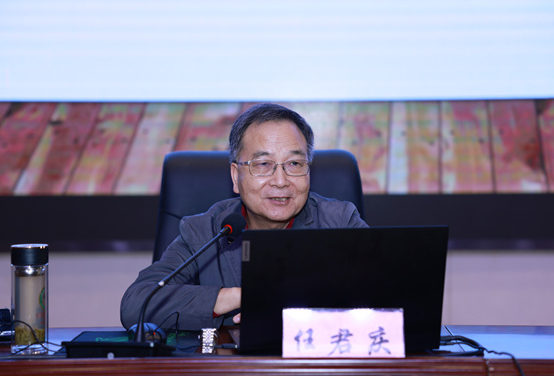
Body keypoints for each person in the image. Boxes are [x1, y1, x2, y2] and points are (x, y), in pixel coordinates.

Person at [120, 103, 368, 331]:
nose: (280, 181)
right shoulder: (203, 231)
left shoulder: (340, 221)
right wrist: (242, 296)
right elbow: (137, 304)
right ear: (235, 176)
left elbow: (386, 291)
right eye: (263, 164)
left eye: (294, 164)